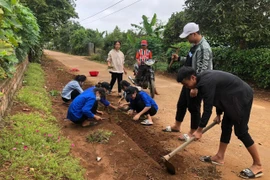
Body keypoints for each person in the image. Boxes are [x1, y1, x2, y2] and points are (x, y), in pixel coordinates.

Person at [177, 66, 263, 179]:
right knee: (226, 126)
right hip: (231, 98)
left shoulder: (205, 83)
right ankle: (219, 157)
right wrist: (219, 114)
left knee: (241, 131)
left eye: (186, 84)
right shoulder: (201, 81)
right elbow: (219, 95)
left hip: (242, 97)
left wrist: (199, 130)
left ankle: (258, 165)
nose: (186, 87)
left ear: (192, 77)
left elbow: (207, 109)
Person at [163, 22, 213, 141]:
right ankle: (177, 126)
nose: (187, 39)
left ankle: (193, 132)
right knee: (182, 104)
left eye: (188, 36)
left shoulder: (204, 48)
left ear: (194, 34)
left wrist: (196, 87)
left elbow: (203, 69)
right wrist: (179, 59)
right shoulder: (194, 46)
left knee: (194, 107)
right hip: (188, 80)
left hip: (196, 82)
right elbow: (191, 61)